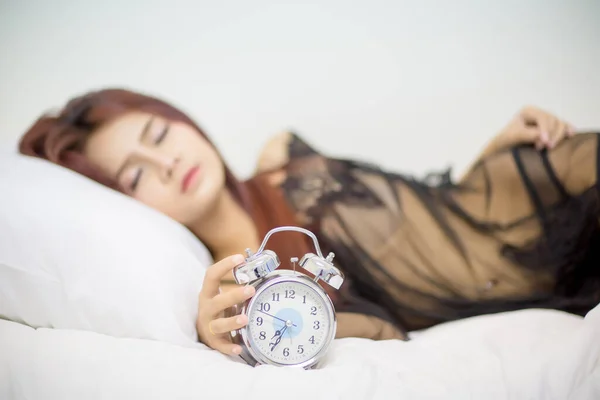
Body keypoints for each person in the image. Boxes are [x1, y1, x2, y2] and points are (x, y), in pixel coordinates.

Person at [18, 88, 600, 357]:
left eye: (159, 134)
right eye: (137, 176)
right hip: (519, 270)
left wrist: (491, 163)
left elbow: (418, 211)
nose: (168, 162)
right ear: (127, 207)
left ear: (181, 119)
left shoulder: (279, 157)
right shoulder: (237, 293)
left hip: (514, 199)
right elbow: (383, 329)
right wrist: (245, 334)